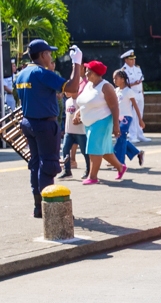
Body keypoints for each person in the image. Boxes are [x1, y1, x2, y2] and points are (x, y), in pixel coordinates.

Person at [15, 38, 84, 215]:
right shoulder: (41, 73)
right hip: (45, 124)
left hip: (29, 122)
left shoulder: (22, 73)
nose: (51, 56)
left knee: (36, 164)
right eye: (49, 53)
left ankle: (39, 207)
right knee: (48, 165)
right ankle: (51, 209)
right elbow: (72, 88)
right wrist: (77, 64)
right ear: (43, 55)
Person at [78, 62, 127, 184]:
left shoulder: (106, 87)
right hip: (89, 123)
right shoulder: (89, 84)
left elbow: (114, 106)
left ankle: (93, 177)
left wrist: (116, 126)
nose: (85, 73)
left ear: (95, 73)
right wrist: (78, 113)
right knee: (104, 151)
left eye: (88, 71)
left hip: (102, 121)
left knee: (94, 149)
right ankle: (120, 167)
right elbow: (85, 101)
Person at [112, 69, 144, 166]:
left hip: (126, 117)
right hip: (117, 117)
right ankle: (137, 152)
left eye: (116, 78)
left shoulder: (128, 91)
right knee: (121, 138)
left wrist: (140, 119)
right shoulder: (116, 90)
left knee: (120, 137)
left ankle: (120, 162)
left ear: (122, 79)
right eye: (113, 78)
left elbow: (135, 106)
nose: (114, 80)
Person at [119, 51, 147, 142]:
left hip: (139, 93)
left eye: (134, 59)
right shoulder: (123, 70)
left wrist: (142, 93)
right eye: (131, 59)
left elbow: (141, 82)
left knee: (140, 114)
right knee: (133, 115)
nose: (133, 61)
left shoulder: (137, 68)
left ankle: (140, 134)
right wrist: (133, 83)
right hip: (132, 94)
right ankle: (132, 136)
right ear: (126, 60)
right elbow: (123, 84)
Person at [60, 91, 88, 176]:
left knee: (84, 151)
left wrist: (79, 121)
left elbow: (85, 115)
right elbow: (68, 116)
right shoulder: (68, 101)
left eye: (67, 89)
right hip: (69, 131)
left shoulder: (81, 101)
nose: (65, 92)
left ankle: (89, 170)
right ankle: (67, 170)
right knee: (65, 149)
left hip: (80, 132)